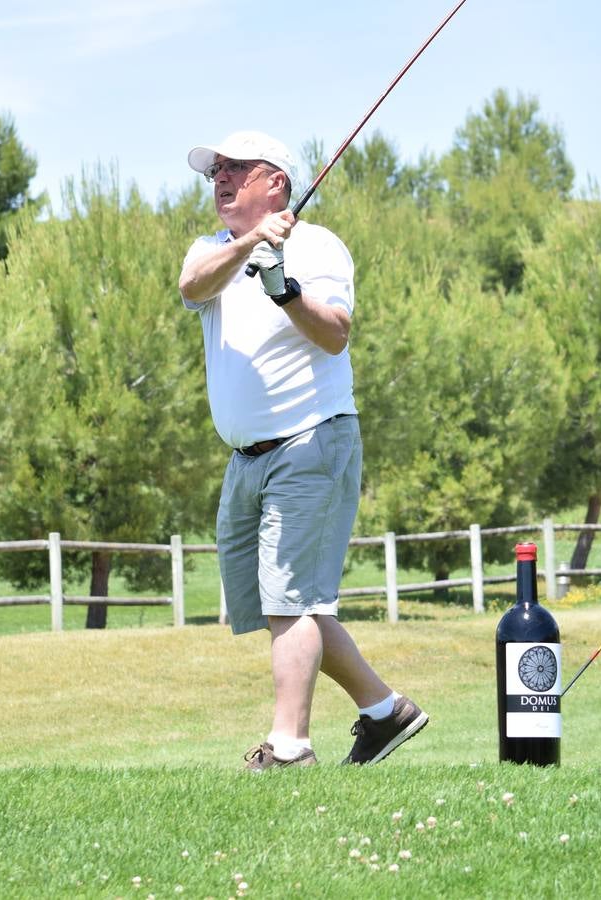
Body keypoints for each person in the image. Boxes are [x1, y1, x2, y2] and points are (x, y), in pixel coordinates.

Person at [177, 130, 427, 770]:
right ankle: (383, 710)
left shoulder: (318, 246)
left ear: (277, 182)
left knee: (290, 598)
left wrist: (283, 287)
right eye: (216, 173)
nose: (221, 180)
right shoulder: (213, 250)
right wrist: (250, 246)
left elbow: (336, 335)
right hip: (246, 458)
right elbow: (192, 287)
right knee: (280, 601)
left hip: (310, 439)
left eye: (237, 170)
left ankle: (290, 747)